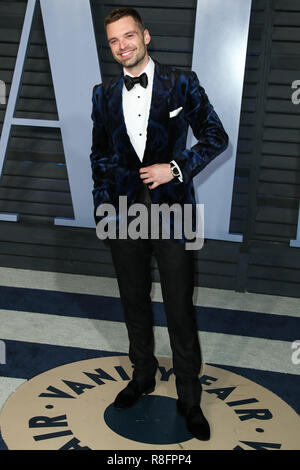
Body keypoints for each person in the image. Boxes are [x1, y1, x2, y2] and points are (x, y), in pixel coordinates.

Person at [90, 7, 228, 441]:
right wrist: (103, 208)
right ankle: (143, 375)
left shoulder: (181, 81)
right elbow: (99, 157)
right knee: (133, 300)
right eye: (113, 40)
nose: (122, 46)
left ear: (145, 36)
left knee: (179, 308)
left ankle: (189, 397)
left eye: (128, 36)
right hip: (125, 214)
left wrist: (176, 167)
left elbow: (215, 136)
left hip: (173, 212)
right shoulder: (103, 93)